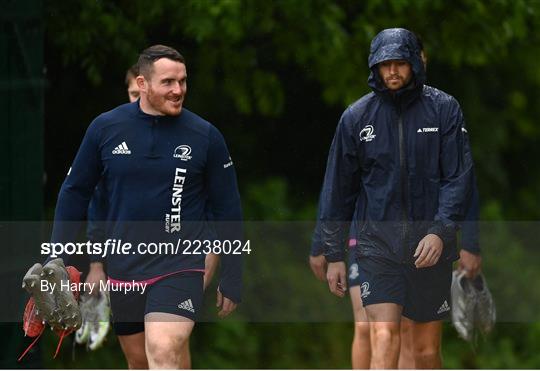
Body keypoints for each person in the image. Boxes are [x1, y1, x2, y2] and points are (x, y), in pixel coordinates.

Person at [47, 44, 243, 369]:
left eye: (182, 81)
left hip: (180, 265)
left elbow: (227, 208)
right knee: (140, 362)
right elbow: (75, 193)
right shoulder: (105, 129)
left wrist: (233, 274)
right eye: (168, 82)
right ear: (142, 84)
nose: (178, 90)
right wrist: (56, 257)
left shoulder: (205, 136)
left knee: (163, 348)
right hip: (125, 268)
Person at [309, 34, 482, 369]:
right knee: (384, 335)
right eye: (385, 64)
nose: (392, 71)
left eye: (399, 63)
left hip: (430, 249)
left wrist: (441, 232)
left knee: (426, 352)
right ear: (375, 67)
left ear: (415, 64)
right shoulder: (356, 118)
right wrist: (333, 253)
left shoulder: (445, 109)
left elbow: (458, 180)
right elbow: (338, 190)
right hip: (377, 249)